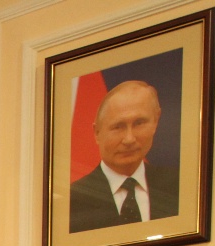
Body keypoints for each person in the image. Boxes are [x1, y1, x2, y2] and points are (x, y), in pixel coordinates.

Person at [70, 79, 180, 233]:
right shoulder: (71, 201)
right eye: (118, 127)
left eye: (139, 123)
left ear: (156, 121)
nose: (129, 139)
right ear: (97, 133)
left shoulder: (180, 187)